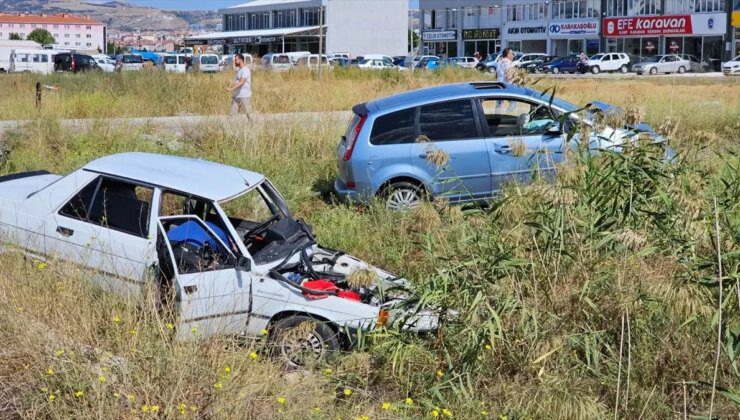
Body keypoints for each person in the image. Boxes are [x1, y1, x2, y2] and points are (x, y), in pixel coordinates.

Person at [226, 53, 252, 119]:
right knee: (231, 114)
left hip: (244, 96)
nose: (234, 62)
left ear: (241, 60)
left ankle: (254, 125)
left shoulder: (245, 70)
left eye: (236, 60)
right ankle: (227, 128)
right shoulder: (239, 70)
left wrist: (231, 89)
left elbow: (241, 82)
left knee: (248, 114)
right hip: (237, 96)